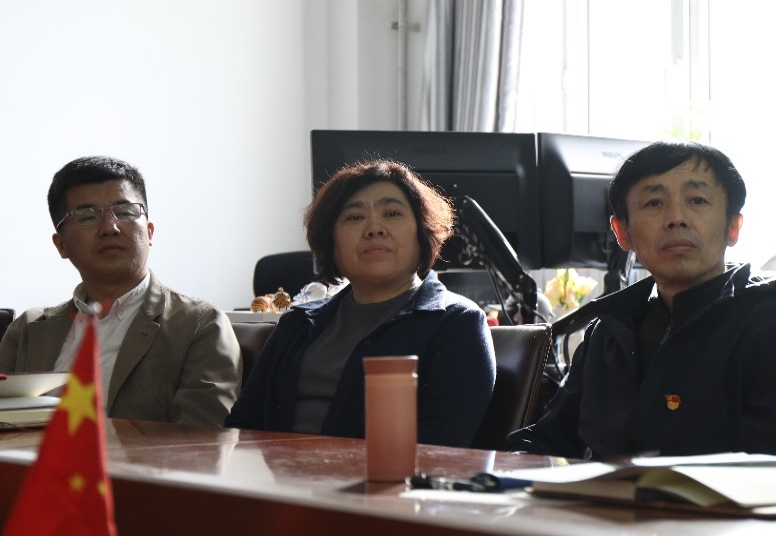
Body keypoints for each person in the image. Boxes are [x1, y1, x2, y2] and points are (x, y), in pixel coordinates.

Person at [508, 141, 776, 459]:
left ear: (733, 228)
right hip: (603, 498)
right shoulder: (608, 333)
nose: (676, 218)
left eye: (697, 200)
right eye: (654, 203)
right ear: (622, 233)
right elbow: (549, 439)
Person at [225, 160, 495, 446]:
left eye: (392, 213)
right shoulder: (296, 323)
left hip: (384, 476)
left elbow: (440, 446)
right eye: (354, 217)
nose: (374, 229)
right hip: (277, 474)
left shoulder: (457, 324)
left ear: (422, 233)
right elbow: (241, 428)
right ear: (331, 242)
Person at [0, 156, 241, 426]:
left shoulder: (200, 325)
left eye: (125, 212)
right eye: (87, 216)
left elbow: (201, 439)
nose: (110, 228)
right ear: (61, 245)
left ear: (149, 232)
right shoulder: (29, 331)